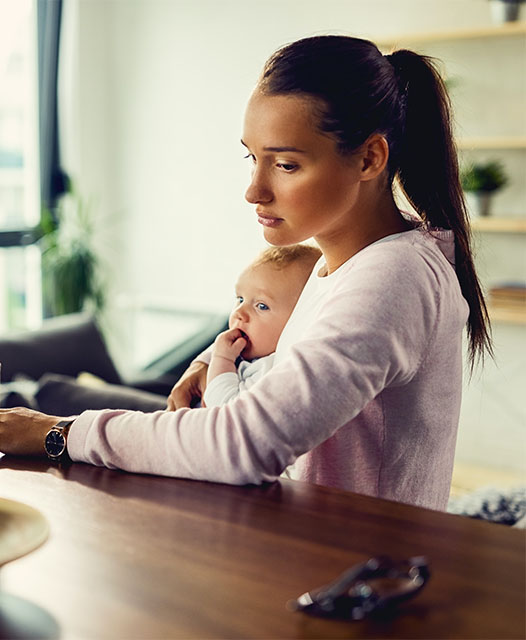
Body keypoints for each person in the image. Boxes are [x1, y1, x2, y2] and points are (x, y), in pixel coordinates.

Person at [0, 35, 492, 510]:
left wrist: (61, 432)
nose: (254, 190)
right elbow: (306, 360)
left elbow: (247, 443)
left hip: (356, 577)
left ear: (369, 158)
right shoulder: (344, 262)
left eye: (286, 165)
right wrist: (209, 362)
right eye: (253, 158)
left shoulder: (395, 275)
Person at [204, 244, 321, 408]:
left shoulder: (271, 370)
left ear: (299, 321)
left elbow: (226, 408)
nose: (239, 312)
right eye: (240, 299)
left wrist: (221, 359)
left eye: (261, 306)